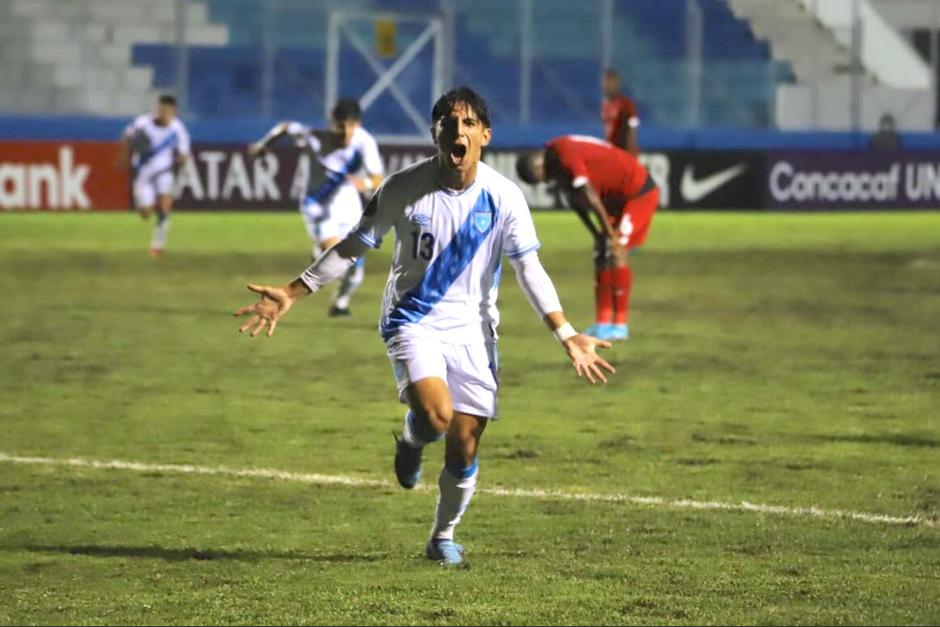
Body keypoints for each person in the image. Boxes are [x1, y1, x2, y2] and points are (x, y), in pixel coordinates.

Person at [234, 87, 615, 566]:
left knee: (465, 440)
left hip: (474, 331)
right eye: (448, 123)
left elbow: (528, 269)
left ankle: (442, 537)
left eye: (469, 123)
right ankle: (413, 440)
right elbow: (355, 245)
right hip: (412, 319)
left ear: (485, 135)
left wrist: (566, 333)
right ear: (434, 133)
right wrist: (293, 290)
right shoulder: (402, 188)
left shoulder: (505, 198)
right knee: (437, 416)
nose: (458, 131)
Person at [248, 99, 384, 316]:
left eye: (350, 126)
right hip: (317, 206)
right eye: (341, 126)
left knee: (355, 268)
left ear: (357, 124)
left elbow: (377, 178)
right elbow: (285, 127)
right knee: (340, 256)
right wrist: (263, 145)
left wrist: (364, 183)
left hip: (348, 204)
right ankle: (320, 253)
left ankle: (340, 303)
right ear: (333, 124)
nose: (346, 132)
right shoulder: (314, 138)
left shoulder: (365, 142)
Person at [516, 135, 659, 341]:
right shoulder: (557, 167)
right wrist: (597, 234)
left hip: (637, 192)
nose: (546, 181)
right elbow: (578, 204)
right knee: (601, 253)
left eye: (542, 177)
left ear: (540, 164)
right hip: (614, 199)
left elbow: (588, 193)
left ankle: (620, 325)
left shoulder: (565, 153)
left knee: (617, 250)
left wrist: (609, 233)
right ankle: (603, 321)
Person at [117, 94, 191, 257]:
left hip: (164, 172)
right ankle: (149, 207)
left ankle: (157, 246)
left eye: (167, 110)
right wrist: (124, 157)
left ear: (173, 112)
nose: (163, 113)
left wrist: (180, 160)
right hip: (143, 173)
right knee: (145, 213)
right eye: (161, 109)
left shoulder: (177, 128)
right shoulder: (143, 123)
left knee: (165, 206)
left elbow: (184, 153)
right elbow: (127, 136)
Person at [601, 68, 640, 156]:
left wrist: (631, 152)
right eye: (604, 82)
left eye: (608, 82)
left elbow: (633, 126)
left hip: (624, 152)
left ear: (616, 83)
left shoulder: (626, 105)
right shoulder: (605, 106)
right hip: (611, 152)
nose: (605, 85)